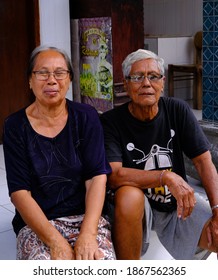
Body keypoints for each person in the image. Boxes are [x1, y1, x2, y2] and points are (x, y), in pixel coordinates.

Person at [100, 49, 218, 260]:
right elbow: (115, 175)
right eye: (137, 77)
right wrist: (165, 176)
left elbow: (203, 161)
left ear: (162, 82)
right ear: (126, 84)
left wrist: (217, 209)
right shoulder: (111, 122)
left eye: (153, 76)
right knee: (128, 195)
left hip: (175, 204)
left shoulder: (177, 110)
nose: (146, 83)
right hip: (136, 208)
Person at [3, 45, 116, 260]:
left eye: (59, 73)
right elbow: (20, 193)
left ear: (69, 79)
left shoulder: (86, 116)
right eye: (42, 73)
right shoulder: (15, 126)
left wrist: (88, 233)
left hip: (86, 218)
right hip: (39, 225)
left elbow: (96, 178)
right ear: (30, 80)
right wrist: (55, 241)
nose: (52, 80)